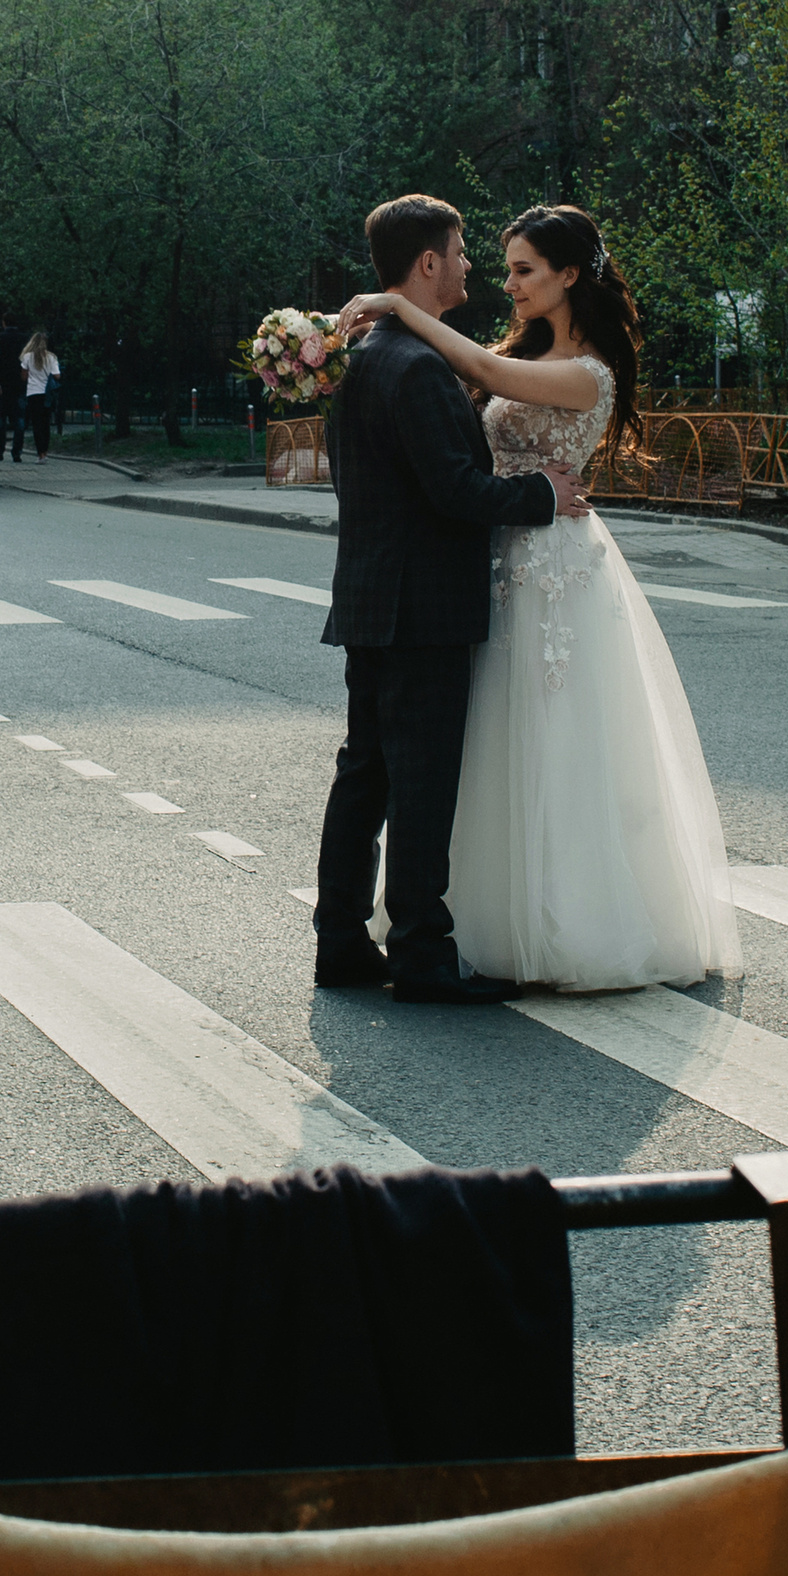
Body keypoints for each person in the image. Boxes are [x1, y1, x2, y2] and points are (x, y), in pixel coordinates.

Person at [336, 206, 740, 990]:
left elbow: (483, 376)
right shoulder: (516, 350)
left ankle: (567, 924)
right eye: (503, 266)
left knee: (558, 740)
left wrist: (393, 305)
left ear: (569, 276)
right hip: (491, 560)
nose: (508, 284)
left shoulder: (585, 372)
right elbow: (456, 385)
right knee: (486, 744)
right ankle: (477, 925)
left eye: (524, 270)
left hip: (555, 564)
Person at [310, 194, 588, 1005]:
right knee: (421, 783)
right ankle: (424, 953)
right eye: (462, 251)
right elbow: (457, 492)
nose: (469, 266)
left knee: (364, 774)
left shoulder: (359, 357)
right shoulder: (418, 366)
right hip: (422, 606)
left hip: (370, 596)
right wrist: (542, 493)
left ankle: (340, 939)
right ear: (426, 264)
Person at [20, 329, 60, 462]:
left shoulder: (27, 357)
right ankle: (46, 452)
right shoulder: (51, 357)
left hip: (33, 392)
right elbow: (57, 375)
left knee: (36, 425)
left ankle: (40, 454)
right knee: (46, 424)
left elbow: (24, 377)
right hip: (46, 394)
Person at [0, 332, 24, 461]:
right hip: (18, 385)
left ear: (4, 323)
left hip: (2, 386)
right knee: (19, 421)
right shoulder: (22, 338)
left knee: (0, 420)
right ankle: (17, 453)